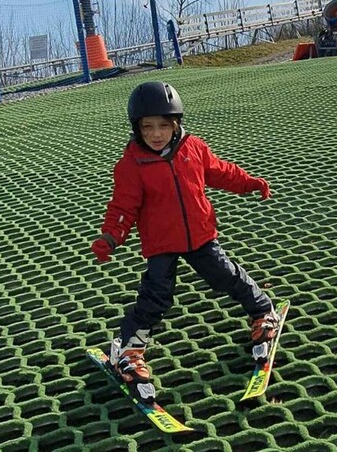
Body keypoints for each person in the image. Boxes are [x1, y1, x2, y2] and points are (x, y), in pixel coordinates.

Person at [90, 81, 279, 388]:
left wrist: (249, 183)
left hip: (200, 235)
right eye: (147, 126)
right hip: (161, 243)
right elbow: (124, 205)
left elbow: (219, 171)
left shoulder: (193, 148)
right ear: (137, 128)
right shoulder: (132, 164)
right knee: (155, 297)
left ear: (176, 123)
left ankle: (261, 311)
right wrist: (110, 237)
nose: (155, 134)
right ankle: (129, 349)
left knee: (226, 275)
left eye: (163, 125)